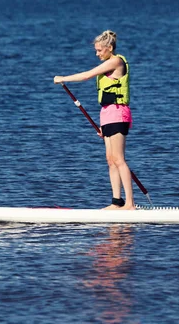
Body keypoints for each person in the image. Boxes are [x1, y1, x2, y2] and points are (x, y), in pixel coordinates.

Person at [53, 30, 135, 210]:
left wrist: (62, 79)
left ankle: (130, 204)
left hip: (118, 112)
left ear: (109, 48)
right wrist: (103, 126)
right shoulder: (108, 63)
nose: (97, 54)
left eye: (99, 50)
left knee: (119, 159)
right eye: (96, 50)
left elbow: (85, 76)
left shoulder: (116, 61)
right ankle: (117, 202)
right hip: (107, 114)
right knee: (110, 159)